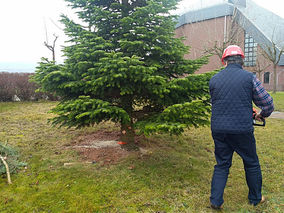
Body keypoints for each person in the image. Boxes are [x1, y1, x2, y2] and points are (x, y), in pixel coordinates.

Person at [209, 45, 274, 209]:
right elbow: (267, 104)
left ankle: (215, 201)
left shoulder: (214, 80)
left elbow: (217, 103)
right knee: (251, 162)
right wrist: (261, 115)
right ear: (242, 60)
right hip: (241, 130)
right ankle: (255, 198)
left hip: (219, 129)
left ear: (224, 61)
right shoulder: (249, 78)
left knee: (222, 165)